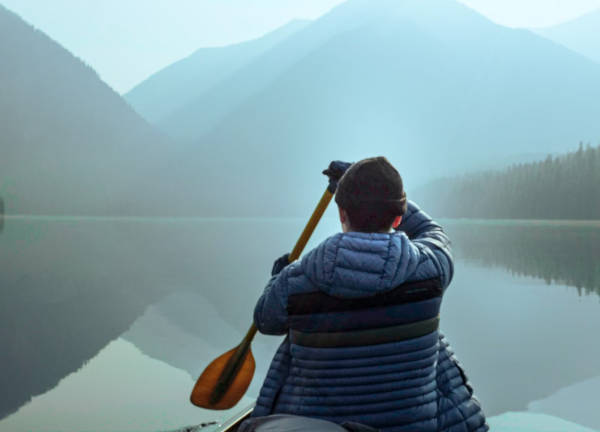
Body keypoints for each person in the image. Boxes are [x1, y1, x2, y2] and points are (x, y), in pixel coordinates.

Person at [246, 157, 488, 432]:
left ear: (341, 214)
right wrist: (395, 201)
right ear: (398, 218)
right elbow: (431, 230)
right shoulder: (433, 268)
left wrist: (277, 276)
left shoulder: (295, 280)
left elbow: (266, 321)